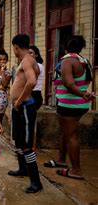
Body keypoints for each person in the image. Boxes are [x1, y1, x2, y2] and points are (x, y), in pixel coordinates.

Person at [43, 35, 93, 180]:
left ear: (65, 47)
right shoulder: (84, 61)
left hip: (69, 104)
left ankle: (76, 170)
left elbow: (69, 84)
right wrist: (83, 94)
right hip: (80, 105)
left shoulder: (68, 61)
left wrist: (82, 94)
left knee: (72, 136)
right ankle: (61, 160)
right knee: (66, 133)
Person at [7, 34, 42, 193]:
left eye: (13, 48)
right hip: (19, 108)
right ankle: (23, 169)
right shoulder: (28, 61)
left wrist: (20, 100)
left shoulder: (27, 61)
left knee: (27, 145)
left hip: (25, 107)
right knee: (19, 141)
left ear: (16, 47)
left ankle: (36, 181)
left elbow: (32, 81)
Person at [28, 45, 44, 110]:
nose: (28, 55)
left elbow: (31, 81)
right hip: (30, 94)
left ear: (36, 55)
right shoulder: (29, 65)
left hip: (34, 94)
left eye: (31, 53)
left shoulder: (38, 66)